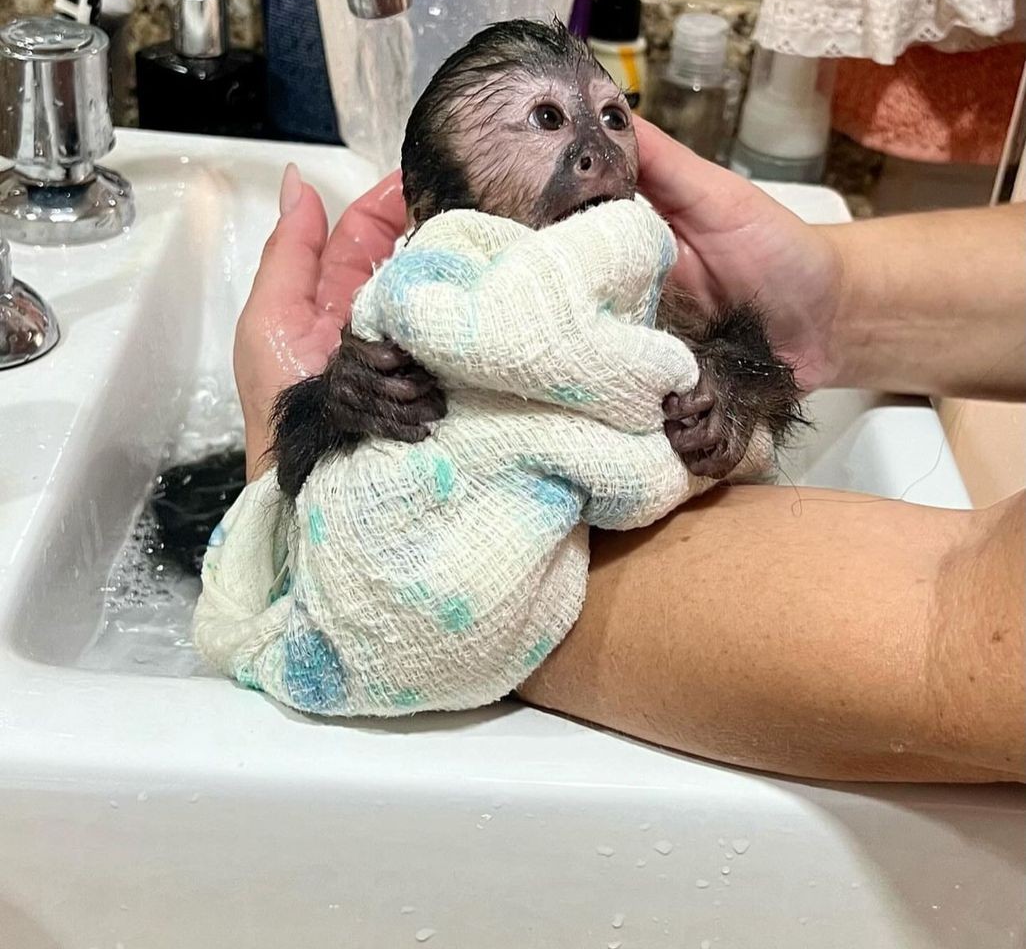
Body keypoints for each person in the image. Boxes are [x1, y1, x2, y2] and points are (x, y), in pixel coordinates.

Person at [233, 121, 1024, 784]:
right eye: (544, 121)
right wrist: (331, 406)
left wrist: (382, 555)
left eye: (613, 118)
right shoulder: (427, 288)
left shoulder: (651, 289)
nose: (592, 150)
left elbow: (962, 638)